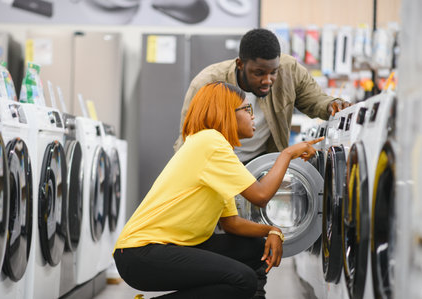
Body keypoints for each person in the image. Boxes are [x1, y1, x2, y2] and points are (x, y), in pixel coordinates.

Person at [113, 82, 323, 299]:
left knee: (254, 249)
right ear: (227, 113)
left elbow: (231, 223)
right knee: (243, 281)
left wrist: (272, 231)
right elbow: (261, 196)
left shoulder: (214, 147)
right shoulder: (211, 143)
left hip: (165, 248)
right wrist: (286, 154)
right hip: (141, 253)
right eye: (247, 109)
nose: (253, 117)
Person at [174, 28, 350, 164]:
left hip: (262, 162)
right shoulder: (209, 83)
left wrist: (333, 105)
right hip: (218, 164)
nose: (267, 80)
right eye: (258, 73)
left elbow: (316, 100)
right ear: (240, 64)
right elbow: (189, 139)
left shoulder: (289, 70)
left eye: (273, 72)